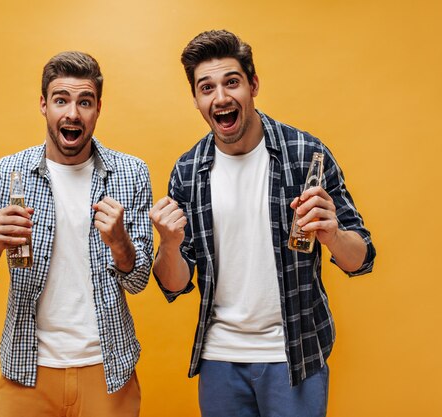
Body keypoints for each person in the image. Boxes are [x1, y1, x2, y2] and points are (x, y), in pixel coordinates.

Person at [150, 30, 376, 417]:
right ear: (196, 100)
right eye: (207, 88)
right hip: (219, 358)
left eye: (231, 82)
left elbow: (362, 258)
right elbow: (175, 283)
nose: (220, 97)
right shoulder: (187, 171)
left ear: (253, 85)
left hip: (297, 354)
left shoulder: (307, 155)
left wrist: (333, 235)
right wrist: (169, 244)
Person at [0, 51, 152, 417]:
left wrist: (121, 242)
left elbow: (139, 281)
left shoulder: (131, 173)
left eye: (85, 102)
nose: (73, 114)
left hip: (108, 369)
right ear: (44, 105)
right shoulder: (6, 173)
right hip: (27, 370)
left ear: (98, 109)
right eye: (61, 100)